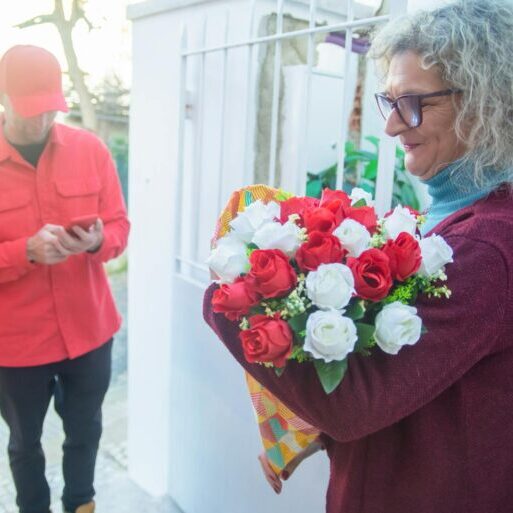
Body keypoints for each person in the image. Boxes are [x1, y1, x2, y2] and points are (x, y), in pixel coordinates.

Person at [204, 1, 513, 511]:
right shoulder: (453, 220)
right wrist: (314, 430)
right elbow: (415, 379)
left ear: (485, 102)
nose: (392, 127)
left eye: (413, 104)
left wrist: (228, 296)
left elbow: (357, 404)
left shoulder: (487, 248)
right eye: (388, 103)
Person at [0, 45, 129, 513]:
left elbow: (119, 226)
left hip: (89, 330)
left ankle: (81, 503)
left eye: (49, 111)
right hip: (16, 344)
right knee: (24, 443)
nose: (40, 123)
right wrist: (23, 252)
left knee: (85, 430)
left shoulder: (90, 150)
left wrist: (96, 242)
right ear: (4, 97)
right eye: (29, 112)